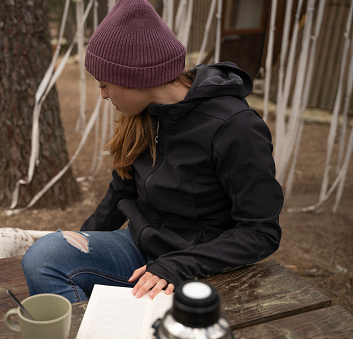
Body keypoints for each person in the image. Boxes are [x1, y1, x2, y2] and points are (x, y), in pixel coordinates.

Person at [22, 0, 283, 303]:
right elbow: (123, 189)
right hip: (140, 245)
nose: (103, 94)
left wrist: (175, 265)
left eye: (105, 84)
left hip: (198, 263)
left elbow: (261, 232)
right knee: (47, 254)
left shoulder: (235, 127)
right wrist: (82, 241)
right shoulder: (144, 114)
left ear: (137, 79)